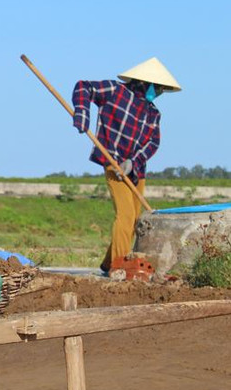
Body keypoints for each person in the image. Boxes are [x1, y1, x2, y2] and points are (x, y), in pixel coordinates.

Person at [71, 57, 181, 274]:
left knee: (135, 221)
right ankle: (119, 266)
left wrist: (133, 162)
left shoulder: (153, 113)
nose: (158, 92)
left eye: (161, 89)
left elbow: (153, 143)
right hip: (112, 163)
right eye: (157, 87)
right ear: (144, 82)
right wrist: (82, 114)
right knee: (126, 215)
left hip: (136, 171)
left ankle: (107, 263)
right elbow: (83, 87)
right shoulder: (115, 91)